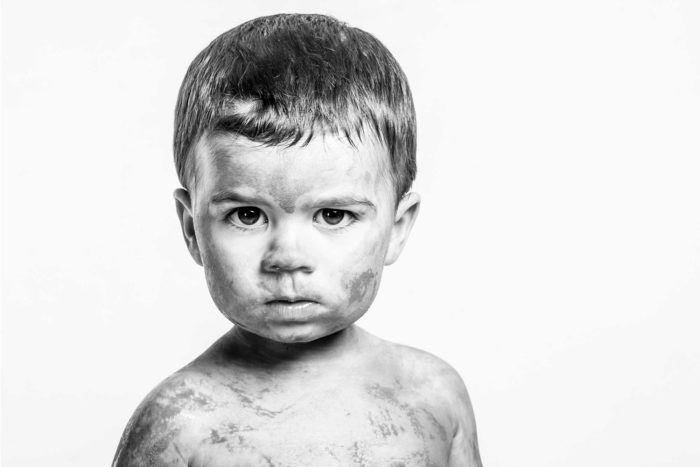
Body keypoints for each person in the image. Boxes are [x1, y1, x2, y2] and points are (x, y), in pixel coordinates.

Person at [113, 13, 481, 467]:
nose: (287, 257)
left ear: (397, 228)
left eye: (332, 215)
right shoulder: (182, 426)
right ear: (192, 228)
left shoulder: (434, 396)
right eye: (247, 215)